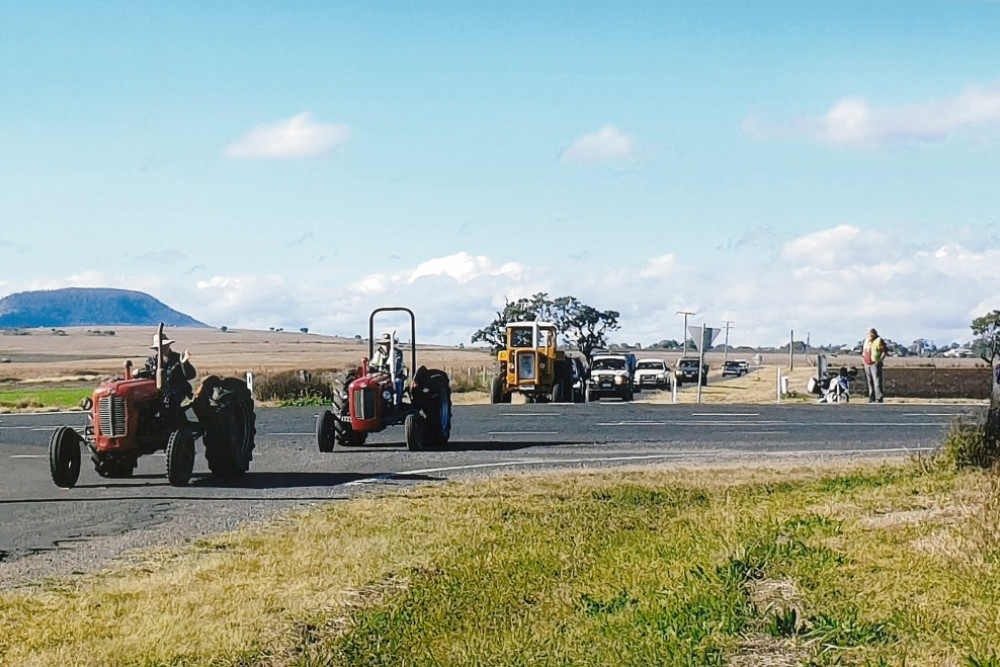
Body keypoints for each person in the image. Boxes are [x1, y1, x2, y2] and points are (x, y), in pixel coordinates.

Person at [140, 329, 197, 412]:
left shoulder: (178, 358)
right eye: (160, 347)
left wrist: (185, 364)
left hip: (177, 390)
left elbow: (190, 376)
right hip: (157, 392)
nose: (164, 348)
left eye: (165, 345)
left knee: (171, 400)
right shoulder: (151, 361)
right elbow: (147, 374)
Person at [862, 327, 888, 403]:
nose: (868, 335)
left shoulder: (878, 340)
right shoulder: (866, 341)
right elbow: (863, 352)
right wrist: (863, 361)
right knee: (869, 382)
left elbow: (884, 351)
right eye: (867, 333)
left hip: (875, 363)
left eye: (869, 333)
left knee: (876, 381)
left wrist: (879, 360)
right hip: (867, 363)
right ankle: (871, 397)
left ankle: (878, 397)